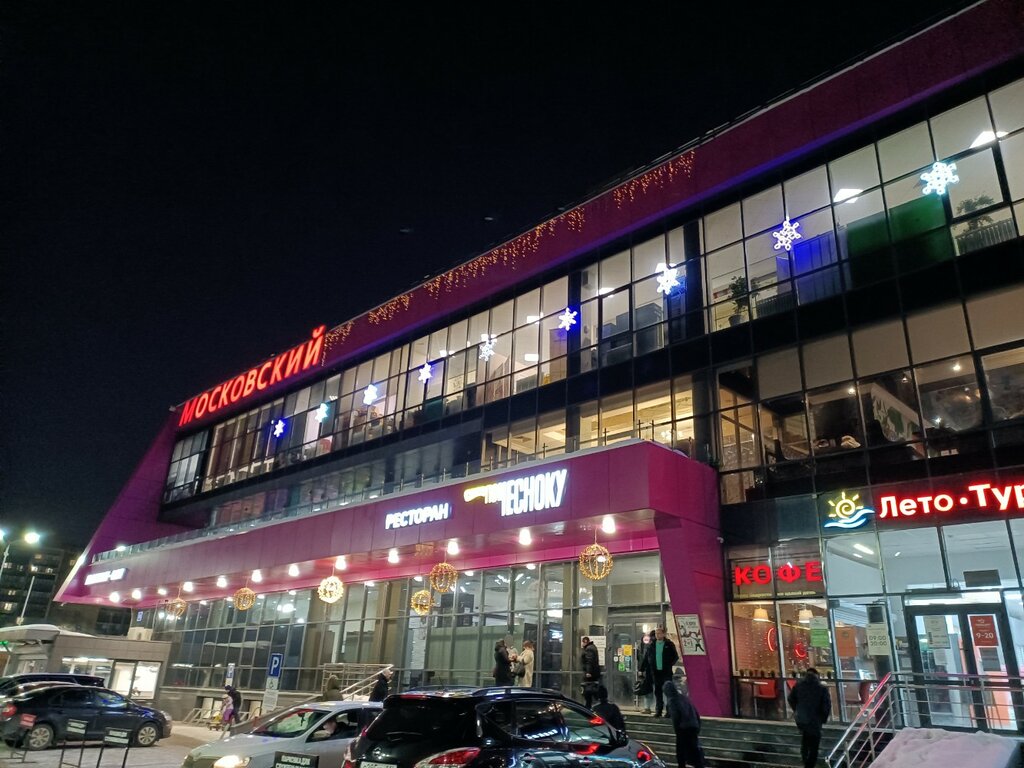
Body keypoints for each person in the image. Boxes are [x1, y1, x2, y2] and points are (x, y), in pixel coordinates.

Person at [787, 668, 832, 768]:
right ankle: (810, 764)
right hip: (815, 720)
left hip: (802, 719)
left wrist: (797, 709)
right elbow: (826, 706)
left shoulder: (798, 686)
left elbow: (790, 698)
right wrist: (823, 718)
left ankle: (805, 760)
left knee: (805, 740)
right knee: (814, 745)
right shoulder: (821, 688)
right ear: (817, 676)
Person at [664, 680, 705, 768]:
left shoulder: (672, 700)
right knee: (694, 748)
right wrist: (698, 725)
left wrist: (677, 730)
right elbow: (695, 712)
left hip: (683, 728)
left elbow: (676, 717)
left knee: (680, 750)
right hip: (693, 725)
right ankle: (699, 764)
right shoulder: (684, 698)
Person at [642, 626, 679, 717]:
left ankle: (669, 710)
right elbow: (647, 658)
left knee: (667, 691)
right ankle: (658, 710)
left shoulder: (669, 644)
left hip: (666, 672)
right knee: (657, 692)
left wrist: (669, 664)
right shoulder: (652, 645)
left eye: (659, 633)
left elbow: (675, 656)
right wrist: (641, 669)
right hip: (655, 672)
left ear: (663, 634)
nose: (657, 635)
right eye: (656, 633)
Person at [637, 630, 656, 714]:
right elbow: (645, 659)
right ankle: (649, 707)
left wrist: (641, 669)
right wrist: (641, 669)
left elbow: (645, 659)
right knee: (652, 690)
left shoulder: (651, 647)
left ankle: (648, 708)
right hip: (652, 672)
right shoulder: (650, 647)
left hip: (653, 672)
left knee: (649, 690)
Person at [580, 635, 602, 708]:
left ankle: (589, 706)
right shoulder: (593, 647)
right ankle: (591, 704)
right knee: (592, 689)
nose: (582, 644)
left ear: (585, 642)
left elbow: (589, 661)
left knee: (588, 690)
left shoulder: (589, 649)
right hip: (594, 673)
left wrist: (588, 672)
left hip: (590, 675)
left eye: (583, 642)